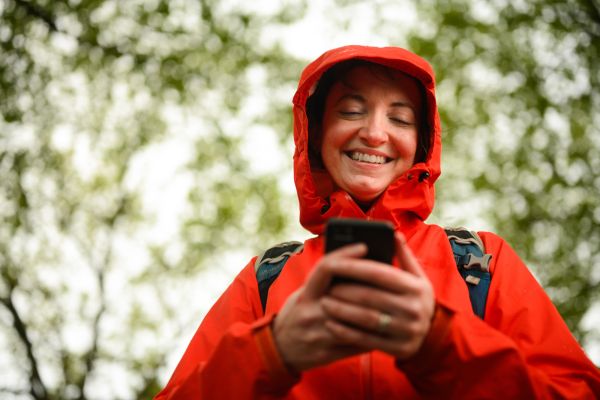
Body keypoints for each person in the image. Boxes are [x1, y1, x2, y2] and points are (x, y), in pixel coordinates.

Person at [155, 45, 600, 399]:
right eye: (351, 110)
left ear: (422, 144)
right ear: (315, 133)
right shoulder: (264, 280)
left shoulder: (481, 263)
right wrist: (271, 352)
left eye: (400, 118)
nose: (374, 133)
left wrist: (441, 343)